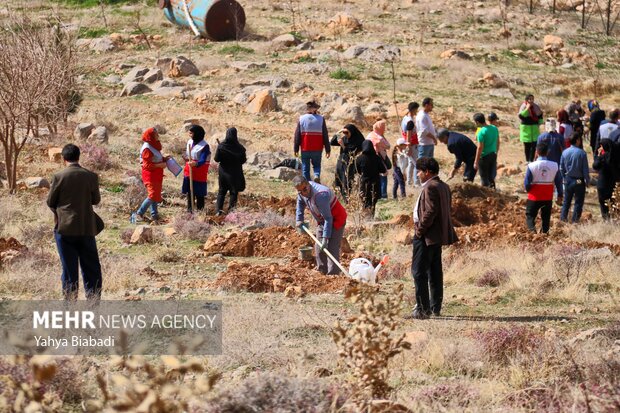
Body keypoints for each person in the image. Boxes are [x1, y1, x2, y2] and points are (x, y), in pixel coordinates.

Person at [47, 144, 103, 301]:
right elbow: (95, 200)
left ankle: (70, 307)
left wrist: (60, 213)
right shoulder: (91, 176)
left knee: (69, 270)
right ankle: (93, 305)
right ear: (79, 157)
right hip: (86, 228)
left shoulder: (59, 177)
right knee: (92, 269)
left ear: (64, 159)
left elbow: (50, 201)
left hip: (64, 229)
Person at [411, 157, 458, 319]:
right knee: (434, 272)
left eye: (419, 171)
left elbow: (430, 212)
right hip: (436, 236)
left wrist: (419, 231)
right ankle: (434, 307)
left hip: (426, 236)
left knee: (419, 272)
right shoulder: (443, 186)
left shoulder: (431, 187)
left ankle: (423, 310)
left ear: (427, 172)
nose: (418, 174)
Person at [294, 176, 347, 275]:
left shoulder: (320, 195)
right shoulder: (301, 192)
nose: (303, 193)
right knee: (319, 248)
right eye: (300, 192)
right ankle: (322, 272)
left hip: (336, 218)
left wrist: (325, 238)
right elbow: (300, 203)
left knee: (331, 248)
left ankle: (333, 275)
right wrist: (299, 219)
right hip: (323, 220)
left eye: (305, 189)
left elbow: (328, 218)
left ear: (308, 185)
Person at [524, 142, 563, 234]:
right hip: (547, 196)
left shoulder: (531, 166)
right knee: (546, 218)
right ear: (548, 152)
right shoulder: (554, 165)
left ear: (536, 152)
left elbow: (526, 183)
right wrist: (560, 195)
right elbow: (558, 182)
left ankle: (532, 234)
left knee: (530, 216)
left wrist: (529, 189)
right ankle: (545, 235)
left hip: (534, 196)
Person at [132, 127, 169, 224]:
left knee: (156, 194)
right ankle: (139, 213)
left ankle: (154, 215)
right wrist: (160, 165)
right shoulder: (147, 148)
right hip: (150, 175)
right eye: (156, 134)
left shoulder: (153, 145)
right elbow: (146, 165)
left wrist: (164, 159)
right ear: (151, 136)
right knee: (152, 195)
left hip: (156, 174)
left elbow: (155, 159)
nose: (158, 136)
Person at [293, 101, 330, 183]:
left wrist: (296, 149)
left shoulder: (301, 118)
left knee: (305, 167)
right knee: (316, 165)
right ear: (315, 109)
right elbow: (325, 135)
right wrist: (328, 149)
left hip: (305, 147)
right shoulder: (321, 119)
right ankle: (316, 175)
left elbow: (297, 135)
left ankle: (308, 183)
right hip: (317, 148)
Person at [214, 127, 247, 215]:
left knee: (221, 192)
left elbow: (216, 159)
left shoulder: (221, 146)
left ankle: (218, 211)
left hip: (223, 173)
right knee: (234, 192)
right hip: (235, 173)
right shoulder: (241, 148)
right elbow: (243, 161)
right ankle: (231, 212)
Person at [560, 133, 590, 223]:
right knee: (578, 202)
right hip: (579, 180)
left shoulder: (565, 152)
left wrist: (564, 177)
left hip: (568, 179)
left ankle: (563, 219)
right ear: (577, 140)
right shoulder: (582, 153)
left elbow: (561, 167)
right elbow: (585, 169)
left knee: (566, 201)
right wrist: (587, 181)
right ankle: (575, 221)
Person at [330, 123, 365, 201]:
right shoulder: (345, 138)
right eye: (344, 132)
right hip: (341, 161)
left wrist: (343, 146)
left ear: (352, 132)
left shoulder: (358, 140)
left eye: (347, 132)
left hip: (350, 163)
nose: (345, 134)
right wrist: (338, 133)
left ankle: (347, 199)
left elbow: (351, 151)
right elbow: (332, 142)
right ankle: (339, 198)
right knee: (338, 180)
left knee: (346, 181)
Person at [182, 125, 211, 213]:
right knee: (190, 192)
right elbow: (188, 154)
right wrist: (186, 158)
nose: (189, 135)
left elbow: (203, 159)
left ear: (197, 134)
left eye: (191, 133)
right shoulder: (190, 142)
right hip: (189, 170)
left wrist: (196, 163)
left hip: (199, 172)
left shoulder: (204, 146)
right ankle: (190, 211)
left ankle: (200, 212)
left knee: (199, 193)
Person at [355, 140, 386, 216]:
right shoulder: (377, 158)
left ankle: (365, 218)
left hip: (364, 184)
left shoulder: (359, 159)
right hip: (375, 184)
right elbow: (383, 170)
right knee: (373, 202)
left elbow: (357, 171)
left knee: (364, 202)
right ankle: (371, 217)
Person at [367, 119, 391, 199]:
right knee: (383, 175)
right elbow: (387, 146)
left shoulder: (371, 135)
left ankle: (377, 194)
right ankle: (383, 195)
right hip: (379, 158)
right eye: (383, 127)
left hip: (372, 158)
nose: (384, 129)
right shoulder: (378, 137)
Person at [473, 113, 499, 188]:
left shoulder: (481, 132)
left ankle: (486, 196)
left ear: (477, 122)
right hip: (493, 155)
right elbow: (497, 141)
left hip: (484, 157)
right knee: (491, 177)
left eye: (475, 122)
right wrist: (496, 152)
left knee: (484, 178)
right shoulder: (494, 128)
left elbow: (480, 147)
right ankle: (493, 193)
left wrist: (476, 161)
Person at [592, 139, 616, 219]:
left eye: (601, 146)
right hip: (612, 184)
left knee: (603, 204)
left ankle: (606, 219)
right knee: (612, 203)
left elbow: (595, 166)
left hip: (602, 185)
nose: (600, 147)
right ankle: (613, 218)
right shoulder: (614, 157)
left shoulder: (602, 157)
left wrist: (598, 155)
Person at [518, 94, 543, 162]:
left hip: (534, 129)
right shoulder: (523, 106)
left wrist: (540, 123)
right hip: (526, 130)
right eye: (529, 99)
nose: (531, 100)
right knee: (527, 146)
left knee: (534, 146)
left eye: (532, 99)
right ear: (526, 100)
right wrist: (527, 108)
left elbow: (540, 115)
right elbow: (521, 116)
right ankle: (527, 160)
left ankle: (531, 160)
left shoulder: (536, 107)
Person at [401, 102, 420, 186]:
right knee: (415, 163)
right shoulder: (410, 121)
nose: (417, 111)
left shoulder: (405, 118)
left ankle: (409, 182)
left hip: (410, 143)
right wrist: (408, 146)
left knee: (411, 163)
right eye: (416, 109)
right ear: (413, 109)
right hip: (412, 144)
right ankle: (416, 182)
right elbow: (408, 134)